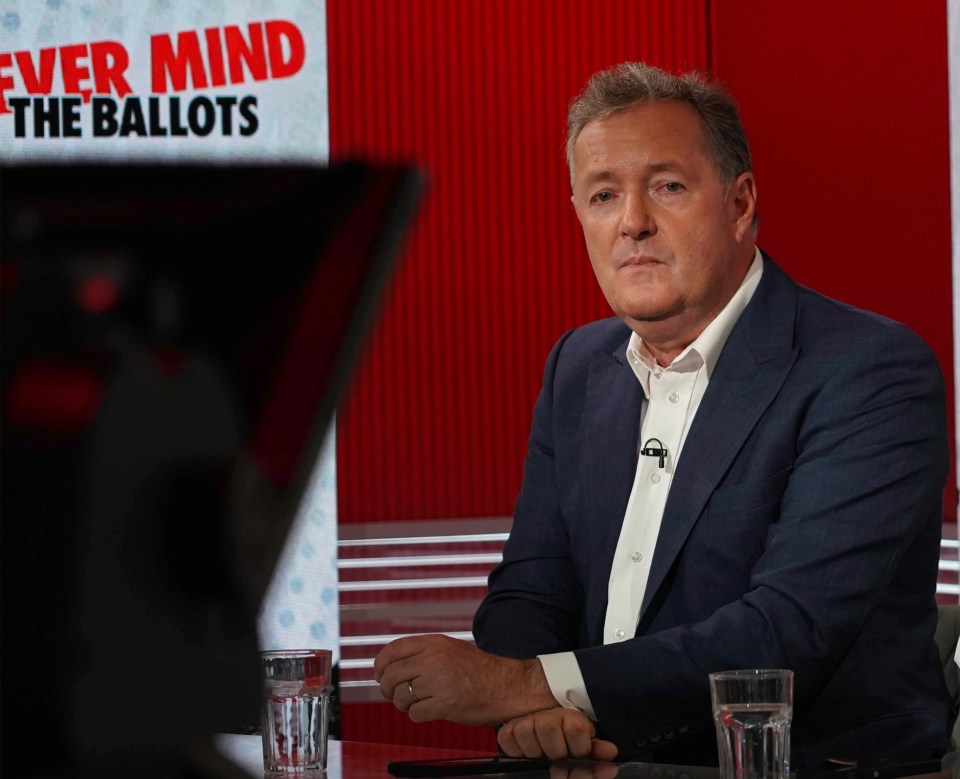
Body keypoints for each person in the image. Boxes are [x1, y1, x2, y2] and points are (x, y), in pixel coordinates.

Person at [374, 62, 952, 767]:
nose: (633, 222)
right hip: (598, 761)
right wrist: (539, 710)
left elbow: (784, 635)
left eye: (667, 186)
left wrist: (519, 684)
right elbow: (531, 587)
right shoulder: (577, 367)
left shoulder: (868, 370)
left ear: (740, 204)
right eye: (603, 195)